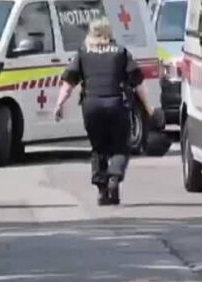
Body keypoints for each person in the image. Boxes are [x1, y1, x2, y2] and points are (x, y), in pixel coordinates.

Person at [51, 17, 155, 206]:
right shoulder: (121, 52)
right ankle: (114, 177)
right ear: (109, 33)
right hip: (117, 105)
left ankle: (102, 189)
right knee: (120, 146)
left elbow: (68, 84)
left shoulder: (82, 53)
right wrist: (149, 108)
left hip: (91, 107)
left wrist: (59, 105)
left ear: (90, 33)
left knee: (98, 148)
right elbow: (138, 83)